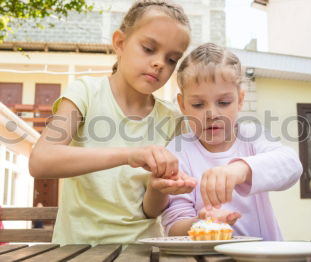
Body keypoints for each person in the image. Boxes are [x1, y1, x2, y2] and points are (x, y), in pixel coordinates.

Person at [29, 0, 195, 245]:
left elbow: (150, 211)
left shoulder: (172, 119)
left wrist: (159, 186)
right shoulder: (86, 92)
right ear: (120, 42)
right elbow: (41, 162)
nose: (160, 63)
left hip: (141, 251)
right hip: (76, 250)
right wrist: (130, 155)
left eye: (172, 59)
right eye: (149, 48)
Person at [156, 43, 303, 241]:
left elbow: (292, 166)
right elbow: (173, 227)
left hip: (263, 255)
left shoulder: (252, 136)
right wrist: (202, 224)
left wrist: (240, 170)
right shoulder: (178, 150)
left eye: (224, 103)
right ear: (182, 104)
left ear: (240, 100)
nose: (212, 114)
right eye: (198, 104)